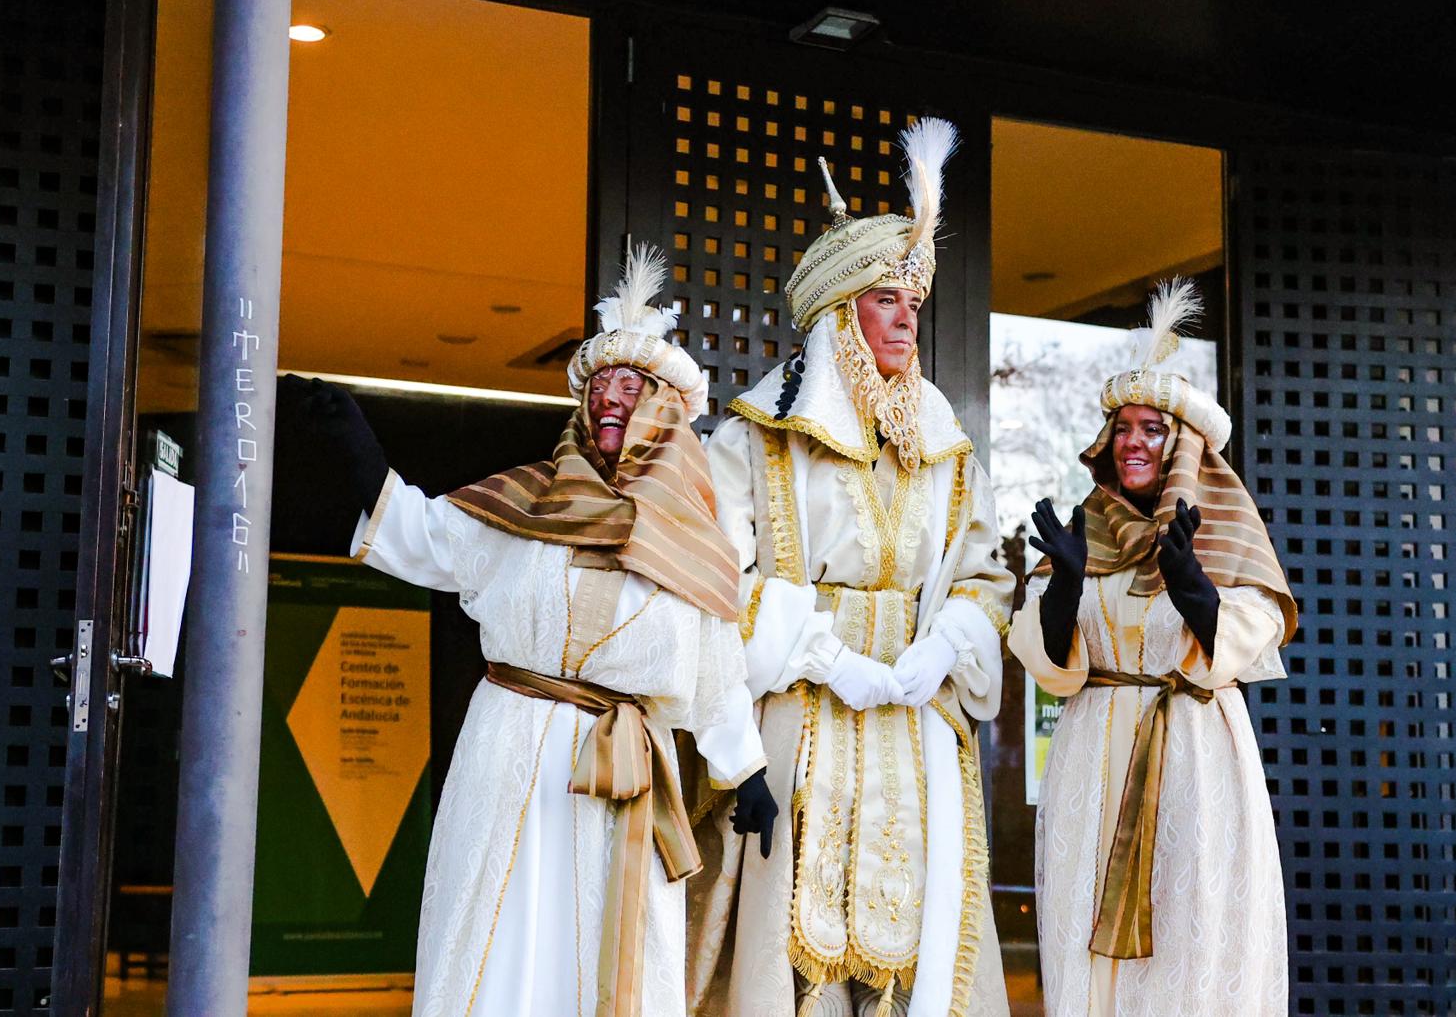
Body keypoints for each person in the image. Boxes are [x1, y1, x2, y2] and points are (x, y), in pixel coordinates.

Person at [282, 246, 778, 1017]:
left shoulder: (699, 549)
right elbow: (425, 537)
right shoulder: (525, 507)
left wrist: (746, 773)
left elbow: (715, 680)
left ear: (667, 412)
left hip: (622, 784)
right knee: (494, 939)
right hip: (507, 759)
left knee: (601, 957)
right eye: (599, 387)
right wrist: (361, 454)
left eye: (632, 386)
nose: (611, 400)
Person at [687, 118, 1014, 1017]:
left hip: (915, 726)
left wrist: (940, 648)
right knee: (792, 949)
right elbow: (716, 582)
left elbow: (987, 577)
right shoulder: (754, 438)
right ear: (839, 316)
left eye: (914, 303)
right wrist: (827, 658)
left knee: (925, 945)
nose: (907, 319)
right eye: (885, 301)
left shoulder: (948, 448)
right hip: (802, 717)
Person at [1007, 279, 1296, 1016]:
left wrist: (1193, 583)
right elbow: (1046, 663)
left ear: (1186, 446)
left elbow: (1247, 637)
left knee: (1191, 943)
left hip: (1196, 762)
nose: (1133, 443)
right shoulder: (1083, 533)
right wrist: (1067, 585)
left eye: (1153, 429)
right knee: (1084, 940)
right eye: (1124, 428)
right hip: (1090, 762)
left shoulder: (1222, 534)